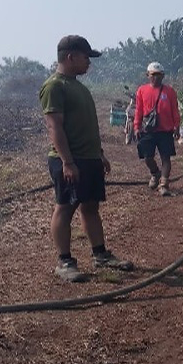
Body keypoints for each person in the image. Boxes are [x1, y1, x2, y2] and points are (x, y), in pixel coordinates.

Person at [39, 35, 134, 282]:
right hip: (70, 160)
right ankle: (64, 261)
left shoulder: (77, 86)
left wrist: (99, 155)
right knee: (65, 207)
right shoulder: (54, 86)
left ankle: (100, 254)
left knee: (90, 207)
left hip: (88, 158)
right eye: (85, 57)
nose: (88, 63)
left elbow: (85, 126)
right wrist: (67, 162)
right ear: (70, 57)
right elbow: (54, 127)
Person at [134, 62, 181, 197]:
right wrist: (136, 127)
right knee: (148, 157)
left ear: (163, 76)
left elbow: (174, 110)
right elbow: (139, 110)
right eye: (153, 75)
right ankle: (155, 173)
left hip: (165, 131)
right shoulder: (142, 90)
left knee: (166, 158)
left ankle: (164, 184)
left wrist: (176, 126)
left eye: (159, 75)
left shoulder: (170, 91)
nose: (156, 78)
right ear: (148, 75)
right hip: (148, 130)